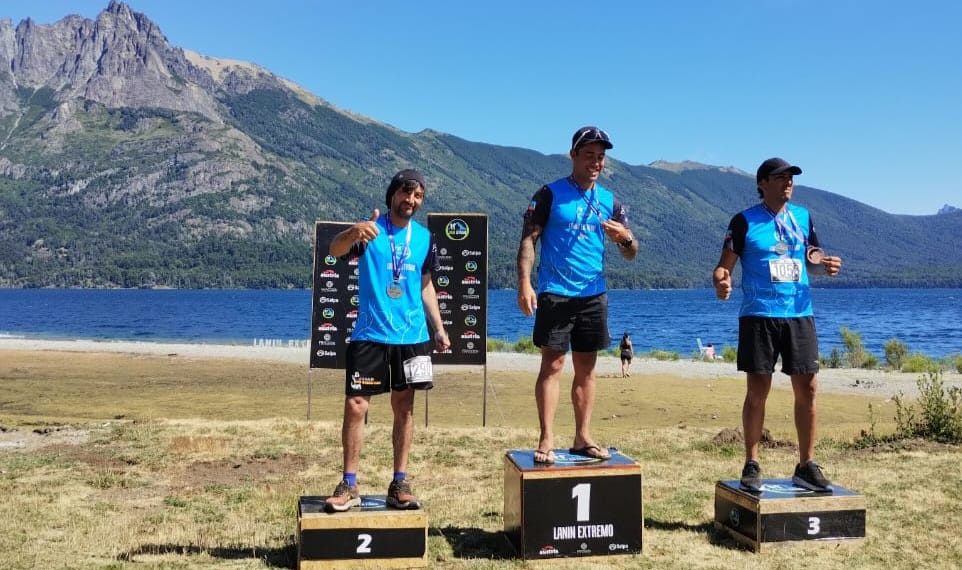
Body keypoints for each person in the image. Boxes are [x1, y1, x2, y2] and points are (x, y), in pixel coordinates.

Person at [324, 169, 451, 512]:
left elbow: (425, 285)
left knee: (405, 407)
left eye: (418, 196)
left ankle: (399, 482)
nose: (411, 200)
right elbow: (334, 250)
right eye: (406, 193)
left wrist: (439, 328)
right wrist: (353, 231)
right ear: (392, 195)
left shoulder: (424, 237)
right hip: (370, 333)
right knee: (356, 405)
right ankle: (349, 483)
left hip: (412, 336)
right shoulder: (370, 231)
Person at [712, 157, 842, 491]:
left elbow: (812, 260)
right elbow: (724, 267)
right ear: (763, 184)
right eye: (780, 177)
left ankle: (806, 465)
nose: (788, 183)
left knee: (809, 389)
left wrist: (825, 266)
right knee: (758, 391)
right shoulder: (744, 221)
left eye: (791, 178)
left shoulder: (803, 217)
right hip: (759, 315)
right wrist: (721, 281)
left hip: (799, 313)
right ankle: (752, 462)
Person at [516, 126, 638, 464]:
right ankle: (546, 439)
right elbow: (528, 240)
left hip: (593, 294)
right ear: (573, 155)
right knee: (553, 364)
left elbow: (632, 253)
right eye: (588, 156)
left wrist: (625, 239)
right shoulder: (549, 194)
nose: (595, 162)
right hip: (555, 292)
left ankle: (583, 437)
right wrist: (524, 283)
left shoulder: (610, 200)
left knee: (587, 368)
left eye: (600, 157)